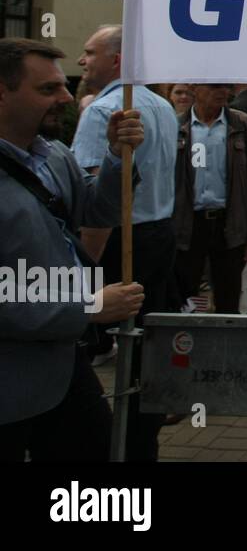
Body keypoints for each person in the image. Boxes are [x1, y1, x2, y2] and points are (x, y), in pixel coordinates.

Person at [0, 38, 146, 461]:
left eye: (64, 85)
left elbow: (97, 210)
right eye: (48, 89)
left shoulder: (53, 155)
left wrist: (117, 157)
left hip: (63, 366)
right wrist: (86, 309)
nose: (67, 97)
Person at [70, 24, 178, 461]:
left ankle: (104, 440)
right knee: (145, 348)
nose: (82, 60)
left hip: (119, 238)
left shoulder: (105, 111)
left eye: (89, 52)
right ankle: (140, 435)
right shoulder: (164, 106)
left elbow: (95, 198)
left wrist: (82, 267)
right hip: (158, 234)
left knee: (91, 341)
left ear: (117, 59)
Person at [172, 85, 247, 314]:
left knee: (228, 298)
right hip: (188, 225)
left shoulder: (242, 125)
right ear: (196, 89)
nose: (222, 91)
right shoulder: (176, 125)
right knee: (186, 299)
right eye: (214, 86)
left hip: (229, 224)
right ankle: (190, 342)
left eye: (225, 86)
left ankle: (226, 343)